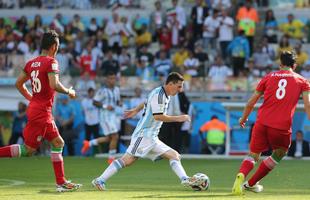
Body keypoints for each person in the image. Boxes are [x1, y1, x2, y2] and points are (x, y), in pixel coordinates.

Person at [0, 30, 81, 192]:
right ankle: (61, 183)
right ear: (54, 46)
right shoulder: (51, 62)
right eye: (57, 47)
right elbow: (54, 84)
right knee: (28, 150)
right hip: (42, 112)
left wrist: (32, 99)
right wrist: (69, 92)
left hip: (38, 109)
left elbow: (18, 84)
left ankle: (61, 182)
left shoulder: (31, 63)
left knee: (58, 142)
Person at [91, 72, 195, 191]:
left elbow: (146, 102)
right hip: (144, 135)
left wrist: (136, 110)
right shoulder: (159, 95)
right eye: (179, 86)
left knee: (175, 155)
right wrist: (179, 118)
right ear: (171, 84)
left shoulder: (160, 92)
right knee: (128, 160)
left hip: (152, 137)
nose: (180, 90)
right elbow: (158, 116)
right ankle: (99, 180)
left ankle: (185, 179)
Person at [232, 51, 310, 195]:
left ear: (280, 65)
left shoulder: (267, 77)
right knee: (280, 153)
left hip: (261, 122)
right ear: (295, 65)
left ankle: (242, 174)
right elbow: (308, 105)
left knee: (254, 154)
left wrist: (243, 118)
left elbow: (251, 103)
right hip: (281, 126)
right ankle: (250, 183)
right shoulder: (302, 81)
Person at [81, 71, 122, 164]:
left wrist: (119, 103)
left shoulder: (117, 90)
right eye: (111, 78)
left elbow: (118, 100)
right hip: (105, 117)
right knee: (115, 136)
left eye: (114, 78)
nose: (113, 80)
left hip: (113, 116)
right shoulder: (102, 91)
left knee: (109, 138)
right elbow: (94, 102)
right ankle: (111, 159)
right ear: (107, 80)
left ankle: (89, 143)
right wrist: (105, 106)